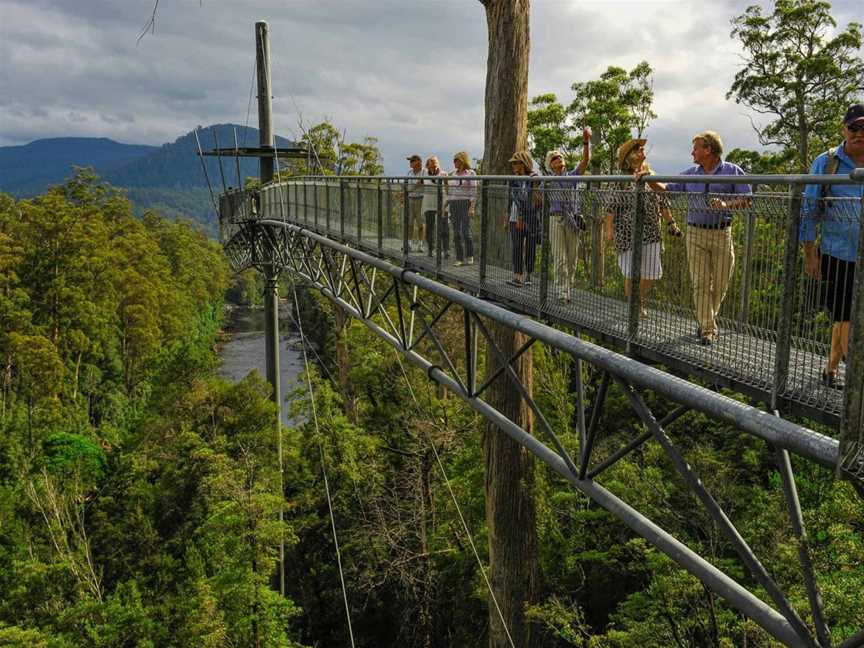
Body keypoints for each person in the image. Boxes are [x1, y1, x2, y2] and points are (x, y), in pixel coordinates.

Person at [658, 131, 752, 346]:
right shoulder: (691, 173)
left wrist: (727, 205)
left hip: (722, 233)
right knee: (700, 283)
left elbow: (747, 199)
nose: (692, 152)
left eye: (696, 148)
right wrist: (645, 176)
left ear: (708, 150)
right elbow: (666, 189)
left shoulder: (732, 171)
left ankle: (705, 319)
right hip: (695, 233)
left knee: (720, 284)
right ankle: (708, 328)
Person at [801, 103, 864, 388]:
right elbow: (809, 209)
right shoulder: (826, 163)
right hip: (837, 252)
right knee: (845, 316)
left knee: (845, 319)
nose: (859, 134)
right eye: (854, 128)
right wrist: (809, 254)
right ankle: (855, 383)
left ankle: (830, 370)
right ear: (844, 129)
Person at [608, 139, 682, 316]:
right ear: (629, 156)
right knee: (631, 273)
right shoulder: (621, 179)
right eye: (638, 150)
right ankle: (636, 306)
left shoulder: (651, 175)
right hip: (627, 233)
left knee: (652, 273)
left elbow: (662, 202)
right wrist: (608, 229)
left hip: (651, 231)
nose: (642, 152)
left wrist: (672, 222)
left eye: (642, 149)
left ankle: (636, 300)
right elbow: (611, 207)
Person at [545, 127, 591, 302]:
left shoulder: (572, 176)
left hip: (573, 220)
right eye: (555, 159)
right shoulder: (547, 181)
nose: (559, 160)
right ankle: (562, 292)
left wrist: (586, 142)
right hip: (556, 220)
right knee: (560, 258)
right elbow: (536, 195)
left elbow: (586, 161)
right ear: (551, 164)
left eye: (560, 157)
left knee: (572, 259)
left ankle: (568, 288)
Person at [507, 151, 540, 287]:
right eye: (513, 163)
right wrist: (507, 215)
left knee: (531, 247)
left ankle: (529, 275)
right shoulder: (513, 179)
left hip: (531, 217)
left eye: (516, 162)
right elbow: (511, 199)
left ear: (524, 163)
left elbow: (534, 199)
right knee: (516, 246)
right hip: (514, 217)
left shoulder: (533, 178)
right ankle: (517, 276)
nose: (514, 165)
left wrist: (523, 216)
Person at [448, 151, 477, 266]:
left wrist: (472, 207)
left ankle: (470, 255)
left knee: (466, 231)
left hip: (465, 203)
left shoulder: (470, 173)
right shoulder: (453, 174)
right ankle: (459, 258)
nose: (454, 162)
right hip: (454, 203)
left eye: (456, 160)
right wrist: (446, 205)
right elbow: (451, 192)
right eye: (454, 160)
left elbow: (473, 191)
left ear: (463, 160)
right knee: (456, 232)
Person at [421, 156, 449, 258]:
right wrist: (407, 192)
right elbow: (419, 183)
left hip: (441, 204)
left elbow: (447, 187)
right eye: (432, 162)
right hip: (429, 204)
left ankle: (445, 250)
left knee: (444, 227)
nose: (434, 164)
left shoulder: (444, 174)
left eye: (436, 162)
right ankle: (430, 249)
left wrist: (448, 201)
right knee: (430, 228)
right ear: (428, 165)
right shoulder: (424, 174)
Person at [406, 154, 426, 253]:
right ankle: (409, 244)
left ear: (418, 161)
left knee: (420, 223)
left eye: (412, 161)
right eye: (410, 161)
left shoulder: (424, 172)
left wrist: (411, 189)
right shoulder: (409, 172)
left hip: (420, 199)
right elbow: (407, 186)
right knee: (409, 222)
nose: (410, 163)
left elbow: (422, 182)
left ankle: (421, 244)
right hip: (410, 199)